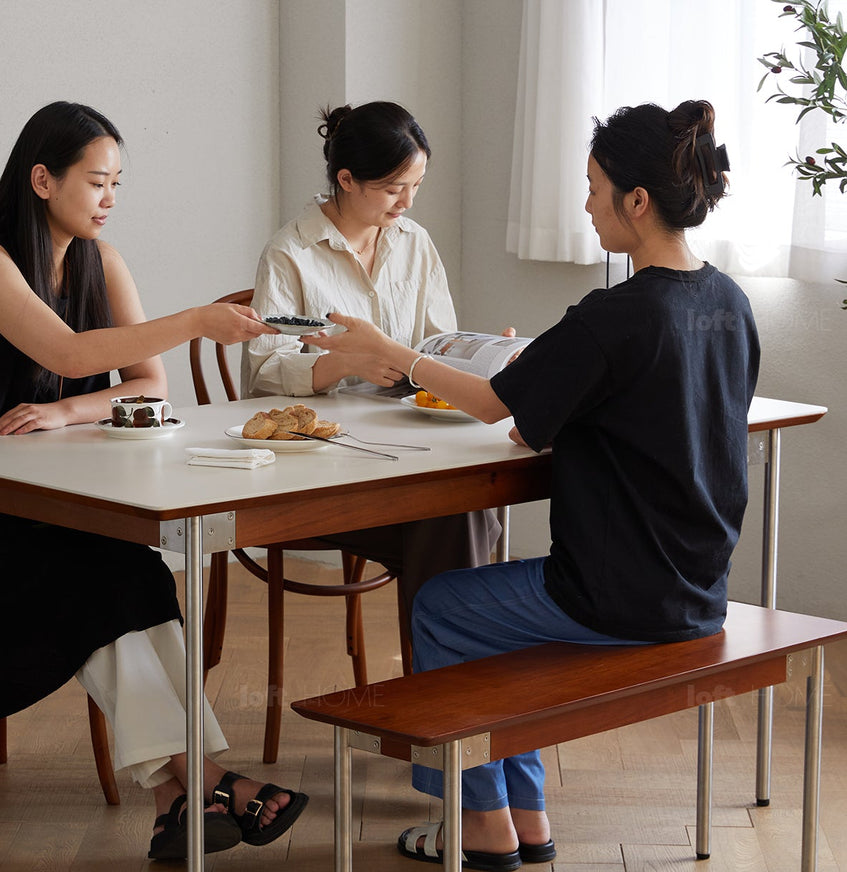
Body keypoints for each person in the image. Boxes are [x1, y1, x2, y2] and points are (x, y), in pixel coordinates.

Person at [300, 99, 760, 870]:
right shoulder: (728, 304)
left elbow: (488, 404)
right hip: (698, 587)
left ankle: (481, 828)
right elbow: (601, 414)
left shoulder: (612, 317)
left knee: (444, 605)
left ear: (636, 201)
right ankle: (527, 817)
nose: (585, 203)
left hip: (615, 596)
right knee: (490, 619)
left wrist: (390, 350)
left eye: (592, 186)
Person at [0, 101, 308, 861]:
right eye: (96, 181)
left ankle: (182, 795)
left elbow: (149, 386)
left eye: (117, 183)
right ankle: (211, 781)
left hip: (47, 514)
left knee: (130, 570)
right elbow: (70, 350)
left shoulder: (101, 261)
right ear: (42, 180)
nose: (110, 198)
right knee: (97, 582)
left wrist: (69, 411)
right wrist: (196, 320)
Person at [244, 101, 503, 617]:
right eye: (392, 188)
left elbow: (438, 344)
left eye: (417, 185)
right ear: (346, 179)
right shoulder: (290, 251)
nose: (407, 201)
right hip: (325, 463)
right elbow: (265, 371)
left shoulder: (416, 243)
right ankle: (450, 673)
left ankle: (442, 674)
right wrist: (342, 363)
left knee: (464, 504)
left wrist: (486, 354)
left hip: (411, 442)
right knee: (455, 516)